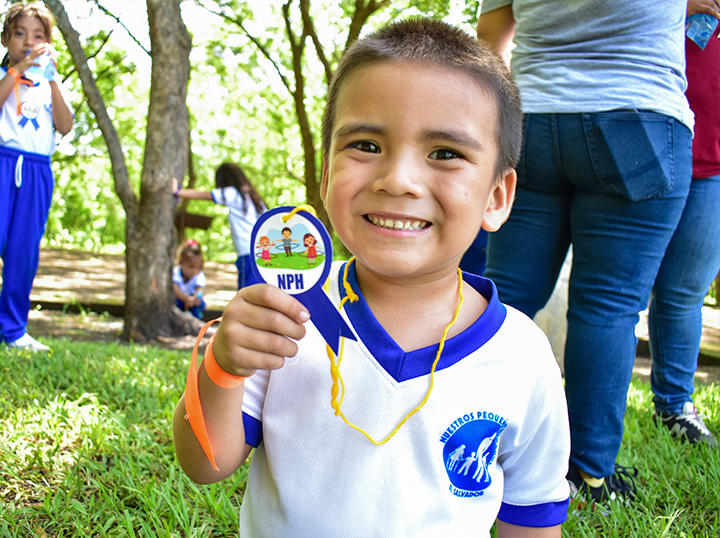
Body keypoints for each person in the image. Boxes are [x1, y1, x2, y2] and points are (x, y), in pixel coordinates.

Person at [173, 18, 570, 537]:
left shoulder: (522, 357)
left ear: (496, 196)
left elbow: (531, 518)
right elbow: (206, 464)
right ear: (325, 174)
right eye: (365, 145)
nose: (398, 180)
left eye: (445, 154)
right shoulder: (284, 316)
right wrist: (222, 366)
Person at [477, 1, 694, 503]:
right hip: (638, 113)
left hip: (531, 122)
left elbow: (492, 36)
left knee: (504, 295)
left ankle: (459, 441)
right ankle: (588, 476)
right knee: (608, 306)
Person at [649, 0, 720, 447]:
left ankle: (675, 408)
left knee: (685, 291)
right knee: (613, 295)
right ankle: (591, 404)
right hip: (650, 145)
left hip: (713, 164)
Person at [0, 2, 73, 352]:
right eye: (20, 33)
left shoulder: (49, 84)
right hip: (3, 162)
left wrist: (53, 77)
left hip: (36, 170)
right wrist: (18, 69)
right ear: (5, 38)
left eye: (38, 35)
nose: (28, 41)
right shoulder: (4, 75)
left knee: (22, 252)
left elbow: (65, 125)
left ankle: (13, 330)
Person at [173, 162, 267, 289]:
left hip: (247, 251)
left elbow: (206, 195)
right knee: (257, 288)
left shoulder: (233, 193)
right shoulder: (255, 198)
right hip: (263, 251)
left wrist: (178, 192)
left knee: (246, 290)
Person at [172, 239, 206, 320]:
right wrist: (186, 298)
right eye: (190, 267)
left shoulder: (199, 274)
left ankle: (196, 319)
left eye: (198, 268)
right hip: (180, 299)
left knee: (201, 304)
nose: (194, 271)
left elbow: (200, 289)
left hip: (192, 301)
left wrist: (197, 297)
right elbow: (175, 288)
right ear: (181, 263)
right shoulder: (176, 272)